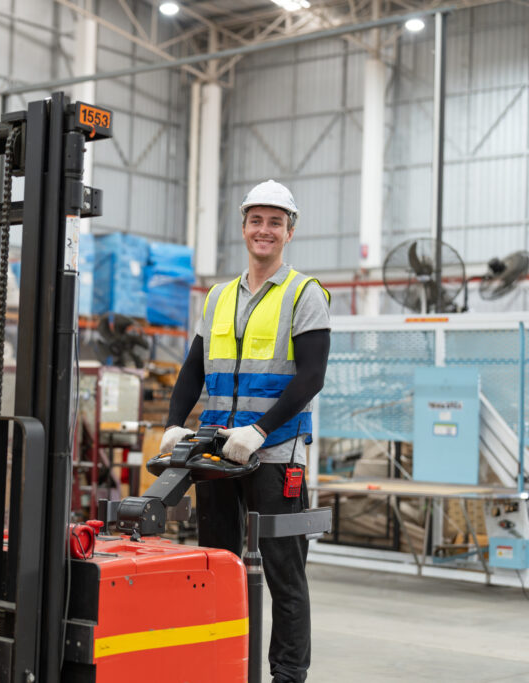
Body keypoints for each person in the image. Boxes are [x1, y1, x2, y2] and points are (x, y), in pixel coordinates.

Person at [160, 179, 330, 683]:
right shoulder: (217, 297)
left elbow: (311, 376)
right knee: (218, 566)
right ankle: (223, 667)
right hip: (216, 453)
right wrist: (174, 423)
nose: (264, 230)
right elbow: (193, 369)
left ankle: (287, 676)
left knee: (284, 573)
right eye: (256, 220)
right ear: (243, 227)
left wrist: (259, 430)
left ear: (289, 232)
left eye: (275, 222)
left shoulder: (305, 293)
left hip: (275, 453)